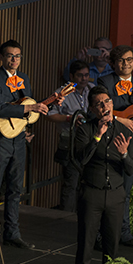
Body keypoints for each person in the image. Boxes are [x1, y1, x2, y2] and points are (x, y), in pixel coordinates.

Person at [0, 40, 59, 254]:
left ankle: (12, 234)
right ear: (1, 57)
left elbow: (29, 106)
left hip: (18, 140)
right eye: (10, 55)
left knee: (15, 188)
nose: (14, 59)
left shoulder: (24, 78)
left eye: (18, 56)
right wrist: (29, 107)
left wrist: (49, 104)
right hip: (0, 139)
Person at [74, 85, 133, 264]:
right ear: (92, 109)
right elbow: (81, 160)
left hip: (115, 195)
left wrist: (124, 154)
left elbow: (131, 169)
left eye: (107, 101)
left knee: (112, 248)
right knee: (85, 246)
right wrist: (97, 137)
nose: (104, 106)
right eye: (99, 104)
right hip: (92, 194)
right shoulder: (85, 129)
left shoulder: (123, 129)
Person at [46, 60, 94, 212]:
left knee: (88, 182)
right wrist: (70, 118)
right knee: (70, 182)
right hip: (70, 141)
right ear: (72, 76)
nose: (84, 79)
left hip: (90, 141)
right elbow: (50, 114)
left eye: (86, 75)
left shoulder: (92, 89)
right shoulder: (62, 92)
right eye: (80, 76)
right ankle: (66, 220)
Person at [97, 45, 133, 247]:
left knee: (128, 189)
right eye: (121, 60)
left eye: (129, 60)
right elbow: (104, 108)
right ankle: (103, 234)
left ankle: (125, 233)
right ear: (113, 63)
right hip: (115, 139)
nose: (126, 64)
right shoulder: (105, 81)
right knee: (114, 188)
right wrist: (121, 117)